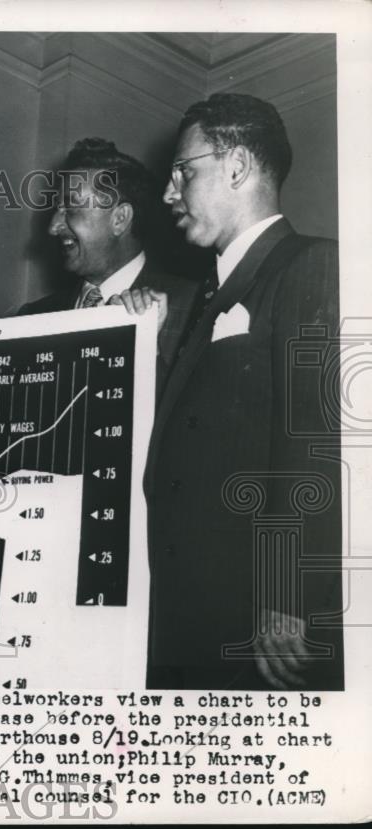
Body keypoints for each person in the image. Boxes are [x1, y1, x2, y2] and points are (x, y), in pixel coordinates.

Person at [146, 92, 343, 690]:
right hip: (186, 610)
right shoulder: (205, 295)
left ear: (235, 167)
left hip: (255, 622)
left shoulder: (315, 267)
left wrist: (288, 596)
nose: (168, 193)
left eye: (183, 172)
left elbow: (319, 442)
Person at [19, 137, 196, 383]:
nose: (53, 227)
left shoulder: (194, 308)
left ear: (120, 219)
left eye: (70, 209)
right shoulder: (30, 317)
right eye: (56, 210)